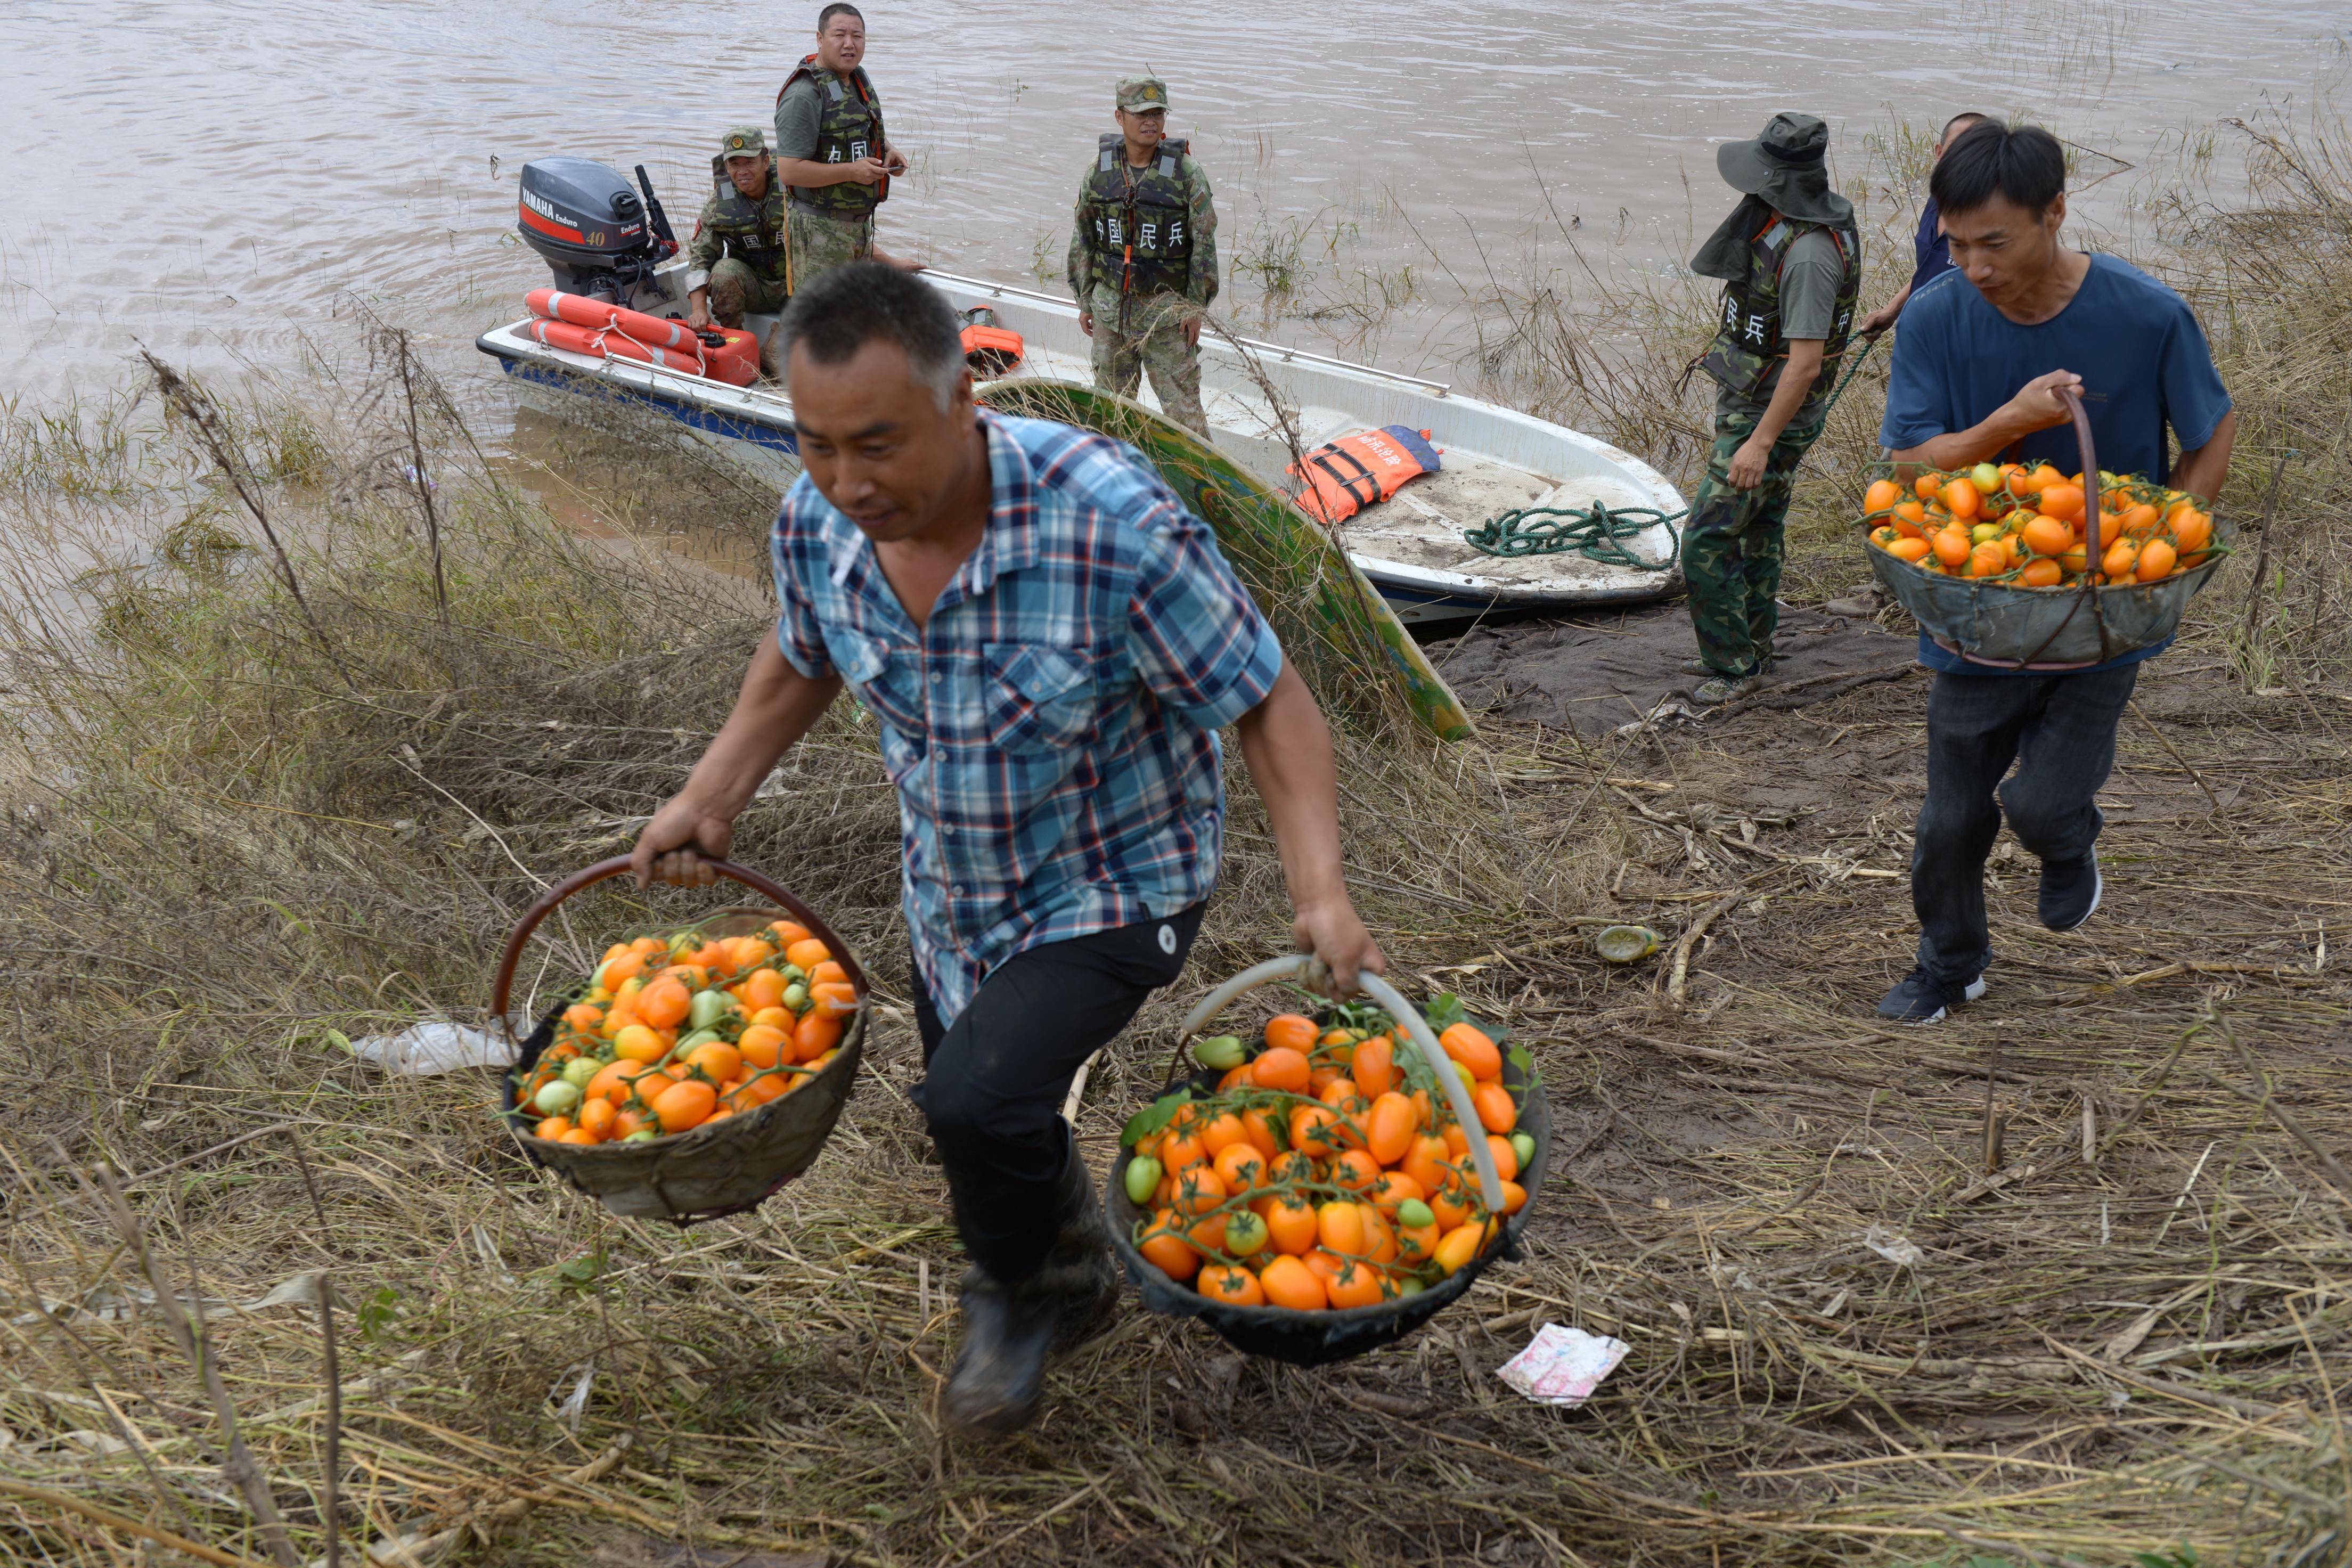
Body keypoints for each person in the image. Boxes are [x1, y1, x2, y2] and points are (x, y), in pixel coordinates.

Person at [627, 264, 1382, 1434]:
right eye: (816, 444)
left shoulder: (1112, 526)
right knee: (993, 1110)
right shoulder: (816, 522)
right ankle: (1074, 1256)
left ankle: (1016, 1295)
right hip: (955, 893)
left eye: (877, 444)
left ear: (963, 407)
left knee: (973, 1101)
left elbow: (1267, 699)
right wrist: (709, 795)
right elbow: (799, 657)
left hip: (1119, 877)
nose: (846, 480)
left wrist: (1320, 890)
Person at [1873, 120, 2236, 1023]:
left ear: (2056, 213)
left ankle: (2068, 836)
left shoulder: (2145, 313)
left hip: (2100, 618)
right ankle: (1950, 964)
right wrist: (2005, 423)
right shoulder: (1934, 314)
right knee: (1949, 821)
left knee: (2039, 801)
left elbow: (2210, 428)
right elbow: (1911, 468)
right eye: (1955, 243)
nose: (1974, 264)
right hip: (1976, 610)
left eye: (1993, 241)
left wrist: (2179, 526)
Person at [1680, 112, 1863, 704]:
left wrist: (1759, 443)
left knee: (1706, 540)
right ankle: (1754, 651)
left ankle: (1732, 670)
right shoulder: (1787, 224)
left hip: (1768, 417)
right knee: (1758, 531)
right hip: (1752, 403)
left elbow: (1806, 365)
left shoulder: (1810, 255)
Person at [1068, 75, 1219, 439]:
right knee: (1110, 412)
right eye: (1141, 114)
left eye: (1157, 113)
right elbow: (1084, 239)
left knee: (1185, 415)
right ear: (1120, 118)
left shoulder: (1186, 174)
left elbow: (1204, 245)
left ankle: (1202, 482)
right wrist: (1084, 299)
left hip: (1167, 317)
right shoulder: (1099, 171)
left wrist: (1195, 308)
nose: (1151, 121)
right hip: (1110, 312)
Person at [773, 3, 919, 287]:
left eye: (858, 36)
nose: (849, 44)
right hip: (819, 229)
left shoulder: (855, 79)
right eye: (839, 35)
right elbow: (789, 171)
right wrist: (852, 172)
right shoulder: (803, 95)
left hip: (857, 226)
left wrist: (888, 150)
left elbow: (861, 127)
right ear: (820, 39)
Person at [1855, 111, 1988, 339]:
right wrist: (1892, 310)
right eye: (1957, 147)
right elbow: (1930, 269)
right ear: (1939, 153)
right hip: (1919, 337)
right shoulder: (1936, 201)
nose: (1965, 156)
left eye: (1976, 148)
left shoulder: (1999, 221)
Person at [684, 127, 789, 344]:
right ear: (726, 167)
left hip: (795, 286)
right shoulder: (717, 206)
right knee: (723, 271)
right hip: (754, 289)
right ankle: (738, 343)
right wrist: (699, 310)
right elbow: (700, 259)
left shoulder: (795, 190)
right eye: (734, 164)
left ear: (766, 162)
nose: (742, 171)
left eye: (749, 162)